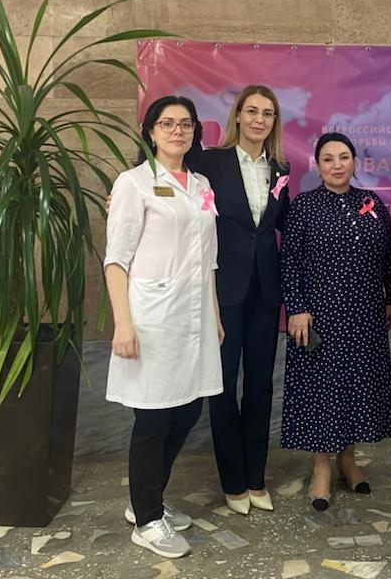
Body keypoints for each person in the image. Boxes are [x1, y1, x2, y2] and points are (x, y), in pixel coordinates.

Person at [104, 95, 224, 560]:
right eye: (167, 123)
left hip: (195, 318)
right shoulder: (133, 183)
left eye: (186, 124)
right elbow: (116, 260)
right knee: (153, 418)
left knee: (189, 410)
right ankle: (148, 520)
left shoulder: (201, 184)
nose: (178, 131)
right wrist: (123, 324)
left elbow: (209, 261)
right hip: (152, 319)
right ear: (151, 131)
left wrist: (215, 316)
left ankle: (146, 496)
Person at [280, 132, 391, 511]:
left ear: (354, 162)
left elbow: (388, 255)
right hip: (318, 316)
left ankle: (348, 459)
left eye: (343, 157)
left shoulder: (371, 202)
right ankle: (321, 467)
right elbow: (289, 262)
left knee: (356, 386)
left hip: (365, 314)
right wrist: (296, 307)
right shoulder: (304, 206)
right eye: (328, 158)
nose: (336, 165)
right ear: (317, 165)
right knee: (321, 389)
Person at [194, 85, 290, 515]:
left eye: (267, 113)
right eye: (252, 111)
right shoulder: (209, 162)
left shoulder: (281, 167)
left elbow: (282, 224)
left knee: (259, 385)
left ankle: (256, 476)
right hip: (223, 291)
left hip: (266, 291)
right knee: (223, 386)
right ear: (237, 115)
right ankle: (232, 480)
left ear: (274, 122)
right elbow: (164, 172)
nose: (259, 119)